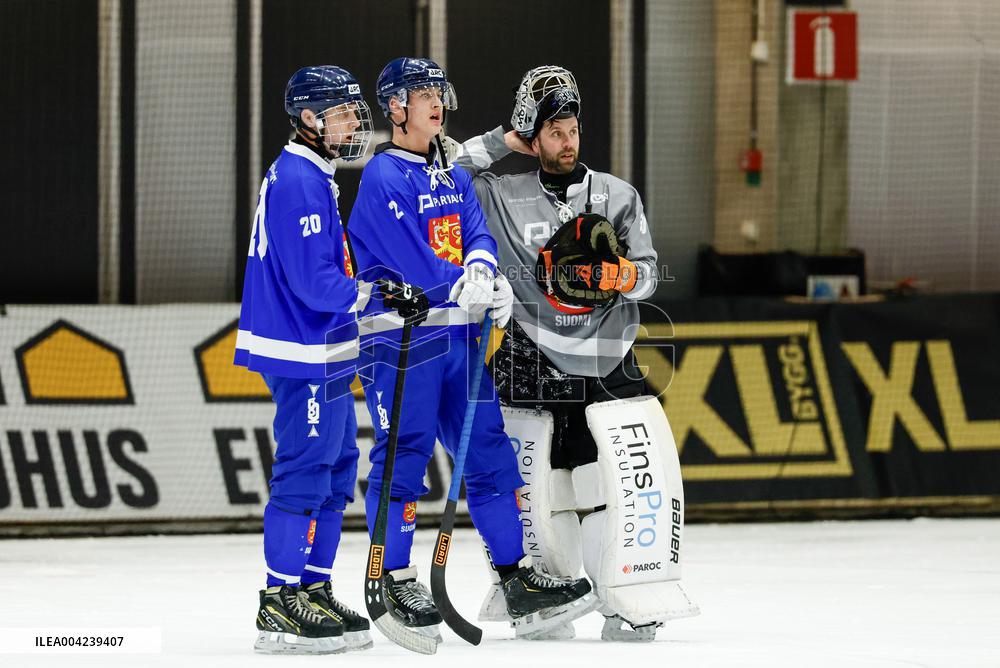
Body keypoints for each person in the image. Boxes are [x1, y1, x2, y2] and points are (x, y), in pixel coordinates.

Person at [346, 57, 595, 642]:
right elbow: (408, 259)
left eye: (438, 90)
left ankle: (515, 579)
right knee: (403, 455)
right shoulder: (383, 175)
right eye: (421, 92)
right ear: (396, 106)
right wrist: (465, 283)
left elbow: (475, 228)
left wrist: (486, 270)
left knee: (487, 450)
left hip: (457, 337)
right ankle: (392, 575)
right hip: (401, 339)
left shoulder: (447, 166)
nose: (435, 100)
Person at [451, 65, 698, 641]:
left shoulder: (618, 195)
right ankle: (544, 600)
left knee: (613, 487)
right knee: (539, 490)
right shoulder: (501, 195)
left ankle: (630, 598)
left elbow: (649, 276)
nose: (567, 142)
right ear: (533, 138)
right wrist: (503, 141)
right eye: (554, 132)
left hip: (610, 362)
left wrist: (622, 275)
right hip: (532, 357)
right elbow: (441, 174)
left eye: (573, 130)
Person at [234, 65, 376, 654]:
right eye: (341, 112)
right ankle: (279, 599)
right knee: (306, 466)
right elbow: (316, 283)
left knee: (339, 463)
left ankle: (311, 588)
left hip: (324, 346)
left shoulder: (314, 172)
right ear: (309, 118)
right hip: (300, 350)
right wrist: (376, 292)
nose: (351, 123)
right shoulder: (297, 179)